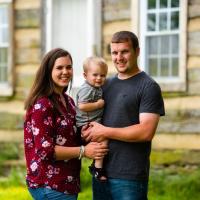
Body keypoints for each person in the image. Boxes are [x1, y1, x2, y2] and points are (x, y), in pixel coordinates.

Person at [82, 31, 165, 200]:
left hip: (130, 176)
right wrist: (86, 133)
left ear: (137, 51)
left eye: (125, 51)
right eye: (114, 52)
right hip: (100, 172)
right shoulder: (104, 85)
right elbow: (92, 119)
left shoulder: (148, 86)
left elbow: (146, 132)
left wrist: (104, 131)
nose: (119, 57)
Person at [24, 48, 108, 200]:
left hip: (68, 183)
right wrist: (83, 150)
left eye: (69, 67)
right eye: (59, 67)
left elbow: (70, 138)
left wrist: (84, 134)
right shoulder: (42, 104)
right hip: (49, 185)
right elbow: (45, 151)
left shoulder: (68, 101)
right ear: (48, 71)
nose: (65, 71)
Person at [76, 56, 108, 181]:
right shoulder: (87, 89)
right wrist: (97, 105)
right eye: (95, 75)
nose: (99, 78)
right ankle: (97, 168)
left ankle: (97, 166)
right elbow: (82, 105)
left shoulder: (96, 87)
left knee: (103, 141)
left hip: (92, 122)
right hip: (86, 124)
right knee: (104, 139)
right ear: (85, 75)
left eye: (103, 75)